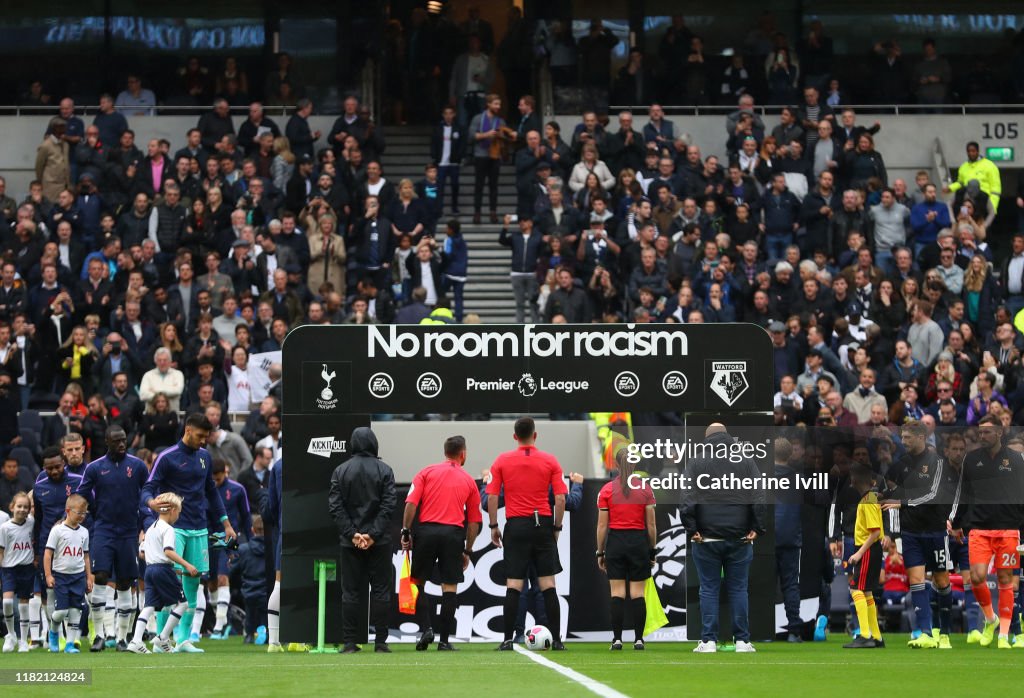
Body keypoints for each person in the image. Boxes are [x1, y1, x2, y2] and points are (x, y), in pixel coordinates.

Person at [140, 413, 237, 652]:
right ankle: (162, 640)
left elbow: (211, 493)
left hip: (199, 528)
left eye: (207, 437)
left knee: (193, 584)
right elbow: (148, 487)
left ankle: (182, 640)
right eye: (201, 436)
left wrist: (225, 523)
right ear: (188, 430)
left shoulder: (204, 457)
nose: (204, 441)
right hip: (174, 529)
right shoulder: (167, 457)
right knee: (168, 585)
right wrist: (151, 503)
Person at [682, 423, 766, 653]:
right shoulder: (746, 460)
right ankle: (742, 641)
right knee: (738, 589)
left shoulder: (697, 461)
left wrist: (691, 528)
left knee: (708, 588)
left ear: (707, 437)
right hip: (739, 535)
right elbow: (758, 495)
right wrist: (756, 527)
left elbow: (687, 497)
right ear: (727, 436)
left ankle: (708, 641)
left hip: (706, 537)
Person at [486, 417, 567, 651]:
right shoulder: (550, 460)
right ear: (535, 435)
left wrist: (493, 526)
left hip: (516, 525)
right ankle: (558, 640)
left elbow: (492, 496)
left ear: (515, 436)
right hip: (541, 523)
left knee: (513, 585)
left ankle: (507, 639)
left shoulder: (502, 460)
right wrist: (556, 527)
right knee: (548, 585)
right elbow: (560, 498)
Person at [949, 414, 1024, 649]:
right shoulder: (971, 460)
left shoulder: (1016, 460)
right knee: (977, 577)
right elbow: (964, 494)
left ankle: (1003, 634)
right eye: (980, 432)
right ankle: (990, 619)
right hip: (979, 528)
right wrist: (958, 523)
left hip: (1009, 529)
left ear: (1000, 433)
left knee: (1005, 580)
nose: (982, 436)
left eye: (987, 432)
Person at [401, 435, 481, 651]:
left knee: (417, 582)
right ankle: (444, 641)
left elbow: (410, 503)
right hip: (453, 534)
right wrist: (468, 550)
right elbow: (473, 522)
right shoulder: (469, 481)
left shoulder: (426, 472)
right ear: (463, 454)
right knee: (450, 588)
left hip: (426, 532)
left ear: (445, 452)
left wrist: (406, 532)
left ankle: (426, 628)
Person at [880, 420, 956, 648]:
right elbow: (890, 496)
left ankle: (944, 632)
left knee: (942, 581)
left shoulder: (937, 463)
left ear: (921, 437)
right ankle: (925, 633)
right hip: (911, 532)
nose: (903, 442)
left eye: (907, 438)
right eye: (902, 438)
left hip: (935, 530)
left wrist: (902, 502)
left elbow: (932, 494)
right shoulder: (900, 464)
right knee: (916, 580)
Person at [76, 425, 148, 652]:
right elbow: (82, 494)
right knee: (101, 576)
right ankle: (98, 635)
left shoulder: (137, 466)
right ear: (107, 442)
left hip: (128, 531)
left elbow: (146, 494)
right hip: (104, 530)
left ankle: (121, 638)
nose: (121, 444)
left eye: (124, 440)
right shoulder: (95, 468)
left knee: (126, 582)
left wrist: (145, 526)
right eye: (116, 441)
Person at [327, 427, 396, 654]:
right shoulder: (385, 470)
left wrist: (352, 534)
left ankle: (349, 642)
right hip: (380, 542)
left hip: (351, 543)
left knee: (350, 591)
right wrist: (373, 535)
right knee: (381, 590)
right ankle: (381, 642)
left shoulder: (341, 470)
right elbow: (388, 506)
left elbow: (335, 507)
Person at [596, 449, 656, 651]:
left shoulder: (607, 490)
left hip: (616, 543)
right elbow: (652, 526)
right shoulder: (645, 489)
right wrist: (652, 551)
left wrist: (600, 552)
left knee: (617, 593)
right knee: (638, 594)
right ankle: (639, 640)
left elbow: (602, 526)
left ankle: (617, 639)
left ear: (616, 464)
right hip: (638, 542)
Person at [126, 492, 197, 654]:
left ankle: (136, 641)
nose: (178, 516)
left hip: (149, 569)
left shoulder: (151, 528)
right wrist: (187, 565)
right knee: (183, 604)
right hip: (163, 569)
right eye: (178, 512)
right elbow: (168, 551)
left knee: (149, 606)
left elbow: (142, 553)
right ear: (171, 510)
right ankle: (163, 637)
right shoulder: (168, 529)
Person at [32, 447, 83, 647]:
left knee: (74, 594)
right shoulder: (39, 487)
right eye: (49, 468)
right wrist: (37, 551)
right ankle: (56, 635)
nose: (54, 471)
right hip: (47, 546)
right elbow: (38, 520)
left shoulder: (78, 482)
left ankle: (73, 637)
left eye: (57, 467)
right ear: (44, 468)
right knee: (50, 592)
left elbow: (86, 512)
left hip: (72, 546)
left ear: (64, 463)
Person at [43, 493, 92, 654]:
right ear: (68, 510)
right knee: (61, 611)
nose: (82, 516)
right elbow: (48, 554)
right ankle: (53, 632)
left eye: (85, 513)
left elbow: (85, 555)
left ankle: (70, 644)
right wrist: (49, 575)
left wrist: (88, 576)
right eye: (79, 513)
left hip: (78, 576)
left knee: (75, 611)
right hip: (61, 576)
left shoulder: (84, 532)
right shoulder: (57, 530)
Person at [842, 465, 885, 649]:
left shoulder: (868, 501)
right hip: (872, 550)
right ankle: (876, 636)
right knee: (866, 591)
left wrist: (859, 553)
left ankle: (865, 635)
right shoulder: (871, 499)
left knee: (855, 588)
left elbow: (874, 532)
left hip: (867, 549)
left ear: (854, 481)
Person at [0, 492, 35, 652]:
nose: (22, 509)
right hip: (9, 569)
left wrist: (35, 487)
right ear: (12, 507)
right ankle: (11, 634)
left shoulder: (31, 522)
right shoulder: (4, 528)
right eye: (19, 506)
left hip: (26, 568)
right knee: (7, 602)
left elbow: (32, 496)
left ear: (29, 510)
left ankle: (23, 640)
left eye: (25, 507)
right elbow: (1, 551)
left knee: (23, 606)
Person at [468, 94, 508, 224]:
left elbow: (506, 138)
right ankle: (477, 212)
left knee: (493, 186)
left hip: (495, 155)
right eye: (496, 104)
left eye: (499, 104)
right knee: (479, 185)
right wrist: (486, 134)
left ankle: (493, 212)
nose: (498, 107)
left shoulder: (500, 121)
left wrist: (503, 136)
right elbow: (471, 136)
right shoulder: (478, 118)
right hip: (481, 155)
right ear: (488, 104)